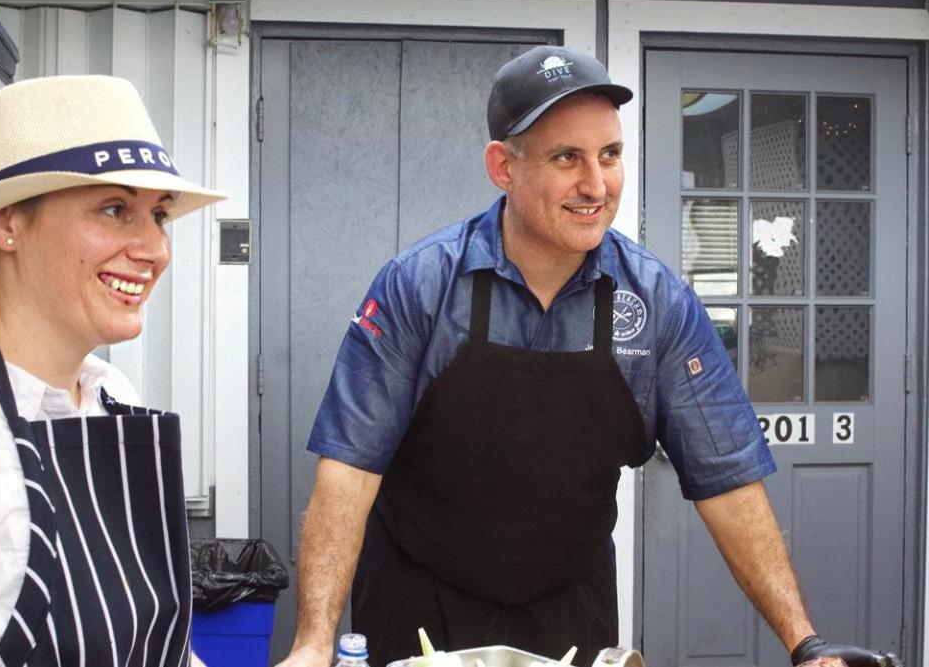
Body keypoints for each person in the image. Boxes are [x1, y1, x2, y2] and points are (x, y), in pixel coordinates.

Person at [276, 47, 898, 667]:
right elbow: (348, 474)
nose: (595, 186)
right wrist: (312, 644)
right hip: (418, 599)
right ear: (503, 166)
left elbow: (730, 483)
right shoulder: (420, 287)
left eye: (610, 155)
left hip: (570, 605)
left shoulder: (657, 303)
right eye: (566, 158)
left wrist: (804, 643)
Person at [0, 75, 225, 667]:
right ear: (6, 222)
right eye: (115, 209)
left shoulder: (111, 396)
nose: (155, 249)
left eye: (158, 215)